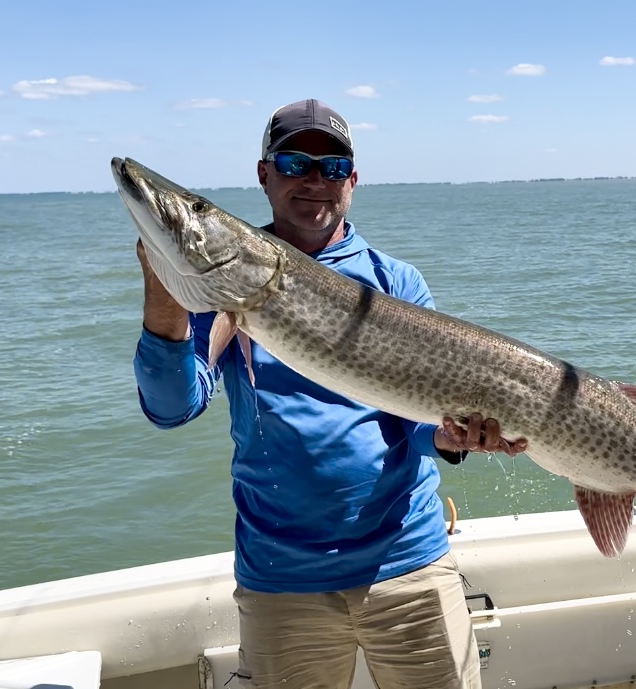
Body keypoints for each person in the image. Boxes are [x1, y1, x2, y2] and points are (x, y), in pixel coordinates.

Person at [132, 98, 527, 689]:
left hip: (407, 566)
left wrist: (452, 438)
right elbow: (171, 407)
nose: (315, 181)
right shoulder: (224, 289)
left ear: (353, 182)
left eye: (333, 168)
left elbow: (421, 421)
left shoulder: (395, 282)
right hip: (281, 578)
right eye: (295, 164)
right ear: (264, 174)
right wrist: (164, 294)